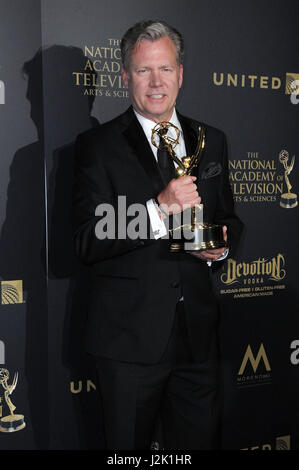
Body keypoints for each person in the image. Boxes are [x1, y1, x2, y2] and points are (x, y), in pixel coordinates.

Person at [72, 20, 243, 450]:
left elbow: (229, 218)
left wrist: (220, 248)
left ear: (181, 75)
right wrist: (159, 208)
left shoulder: (211, 140)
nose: (156, 82)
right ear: (126, 76)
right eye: (144, 70)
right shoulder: (96, 146)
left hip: (198, 341)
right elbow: (87, 239)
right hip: (128, 344)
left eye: (165, 69)